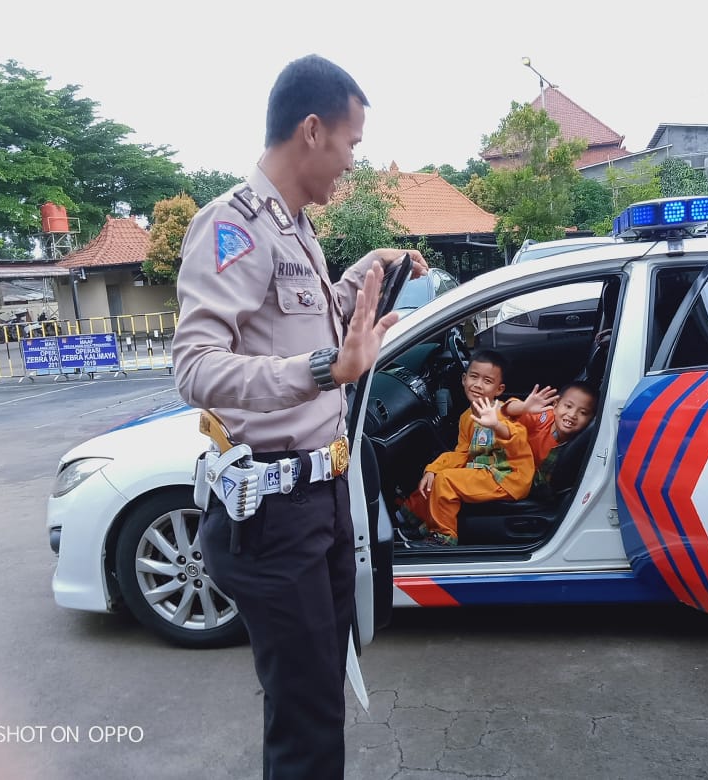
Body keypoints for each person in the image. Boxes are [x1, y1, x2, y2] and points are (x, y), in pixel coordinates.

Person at [171, 54, 427, 780]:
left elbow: (305, 328)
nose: (352, 161)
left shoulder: (296, 228)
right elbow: (195, 367)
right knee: (306, 717)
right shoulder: (234, 226)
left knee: (318, 697)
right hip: (273, 516)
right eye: (351, 143)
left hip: (319, 499)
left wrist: (362, 277)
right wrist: (324, 370)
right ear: (312, 130)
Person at [399, 349, 535, 546]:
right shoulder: (466, 417)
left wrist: (496, 425)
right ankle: (413, 522)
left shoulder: (504, 411)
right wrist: (433, 469)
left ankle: (443, 538)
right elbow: (462, 454)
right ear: (464, 379)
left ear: (499, 389)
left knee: (446, 481)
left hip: (507, 476)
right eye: (474, 377)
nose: (478, 385)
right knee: (435, 478)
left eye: (487, 381)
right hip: (483, 471)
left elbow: (516, 437)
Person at [502, 380, 598, 495]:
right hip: (506, 462)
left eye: (583, 413)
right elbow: (507, 410)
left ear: (591, 419)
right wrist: (523, 407)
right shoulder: (542, 419)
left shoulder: (580, 443)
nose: (572, 415)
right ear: (555, 405)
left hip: (529, 483)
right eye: (568, 406)